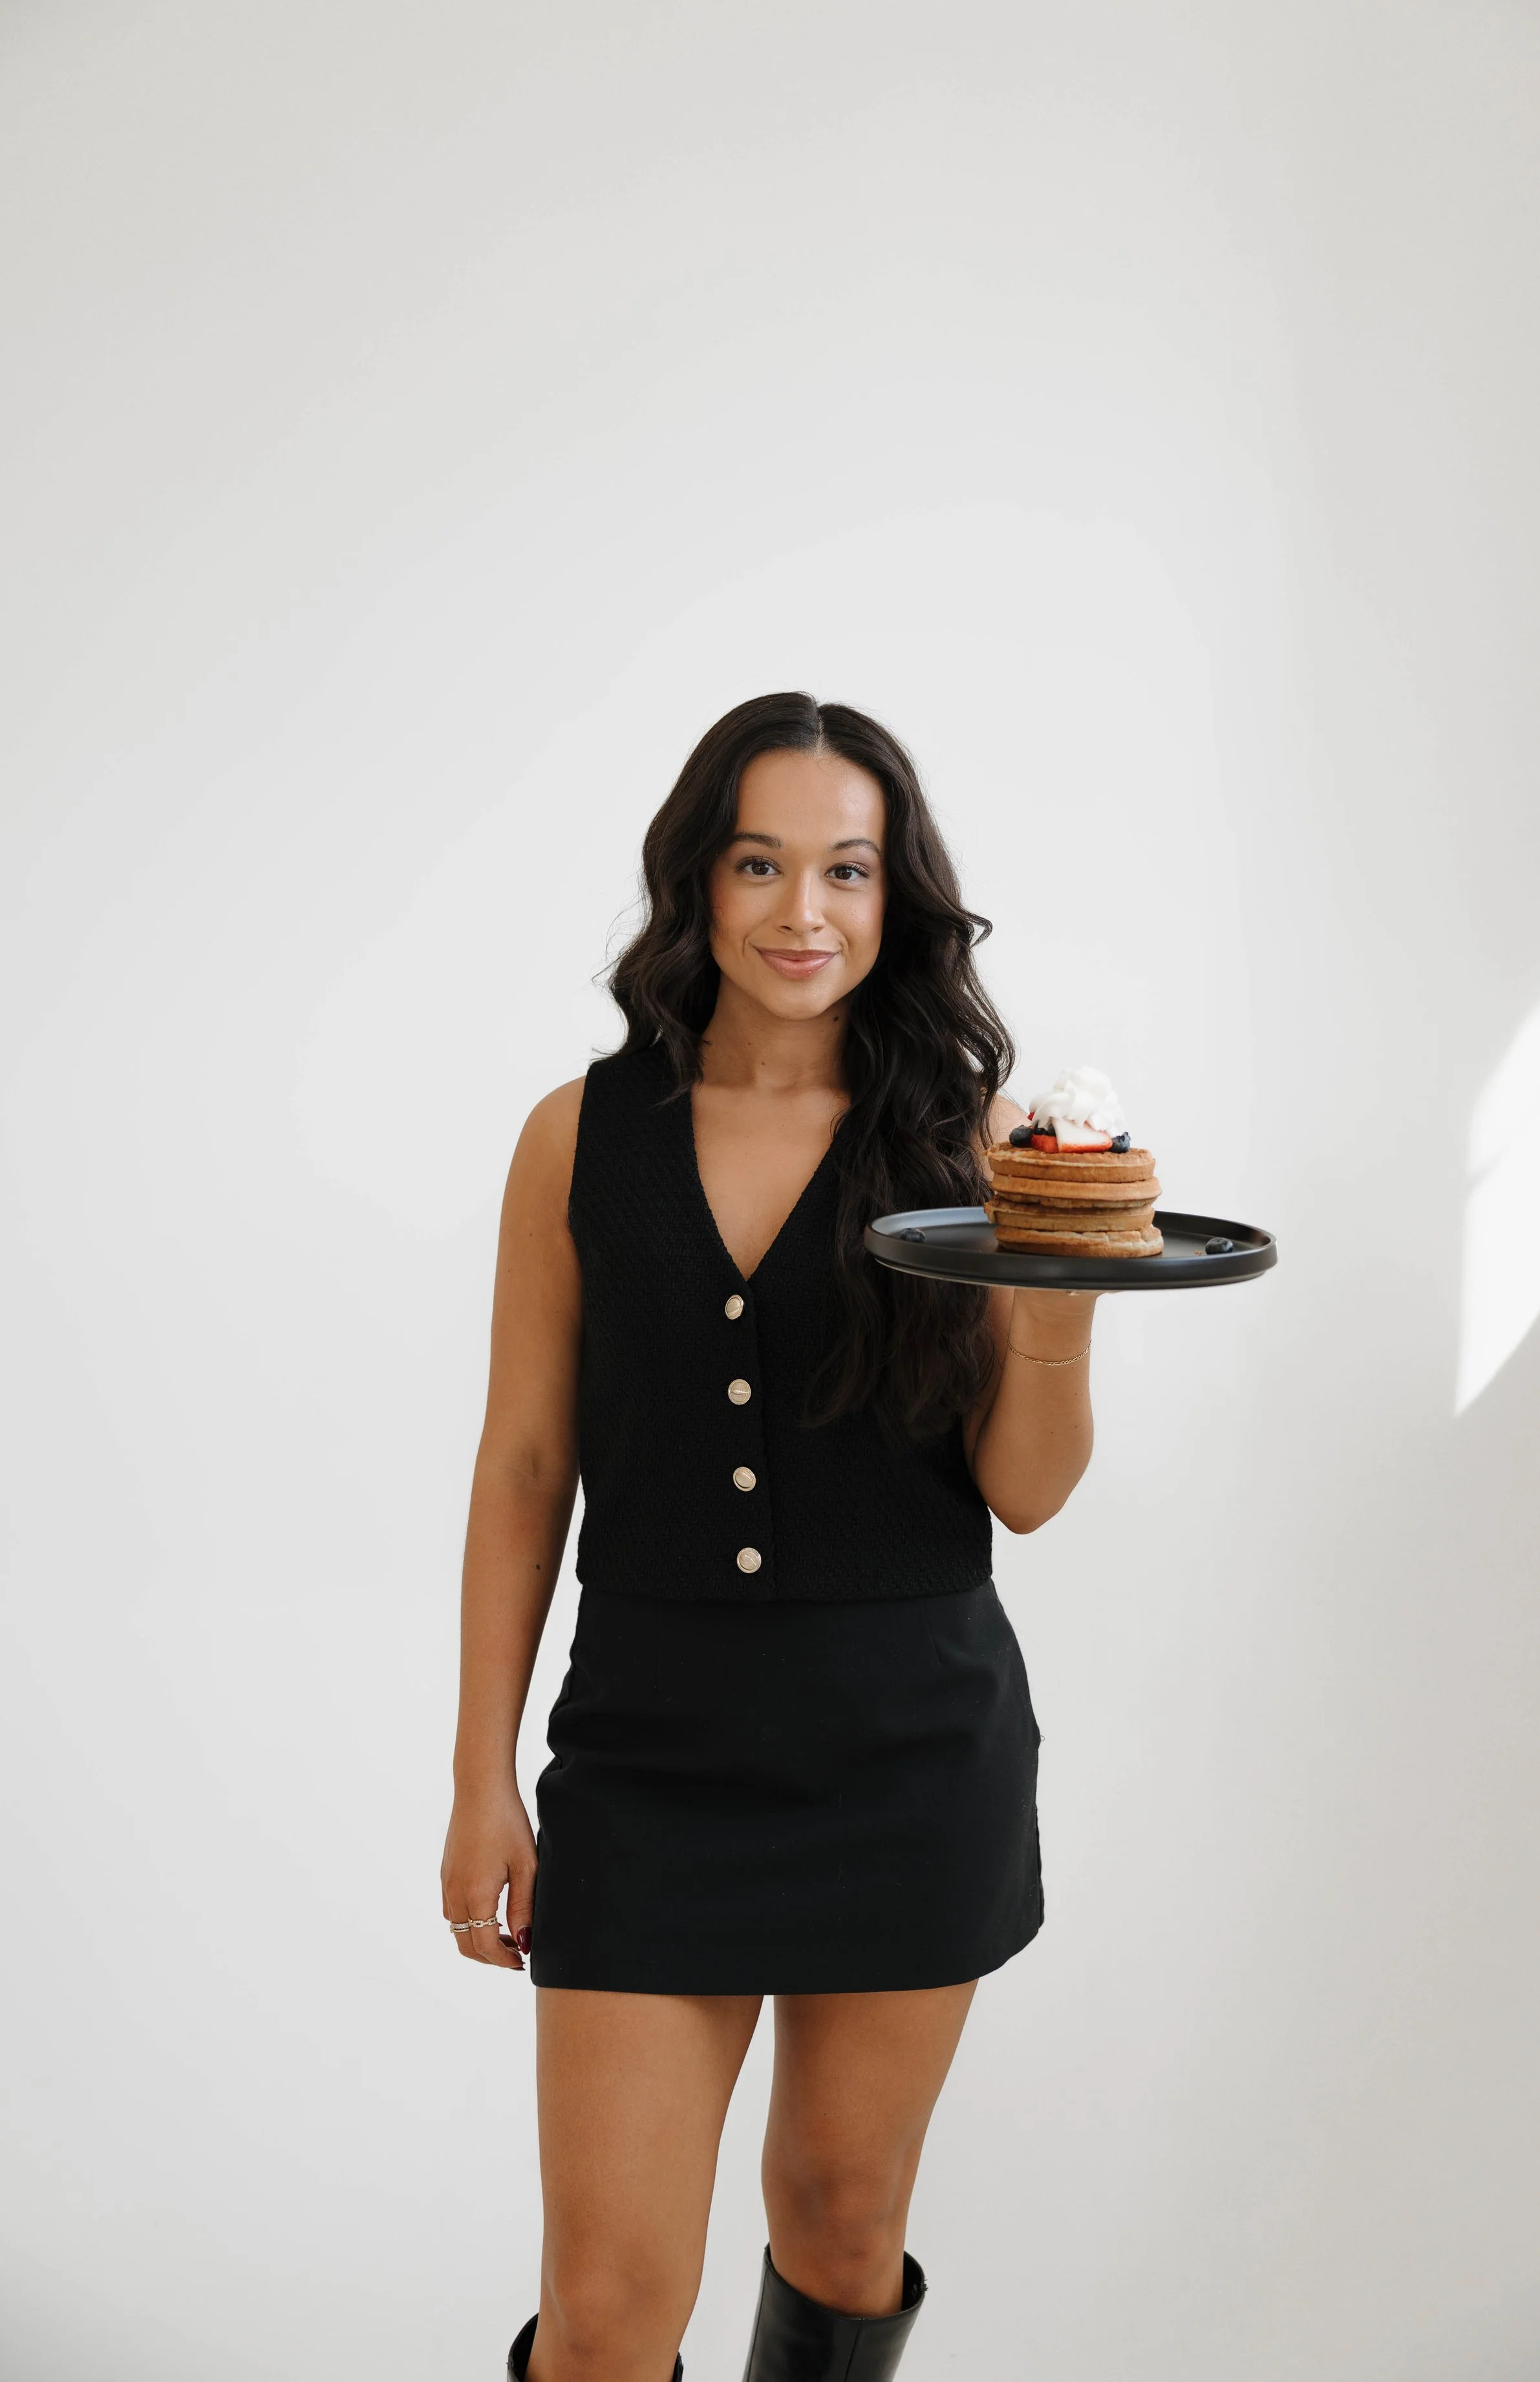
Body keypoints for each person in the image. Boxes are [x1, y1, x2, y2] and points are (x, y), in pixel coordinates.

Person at [440, 692, 1099, 2382]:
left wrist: (1060, 1309)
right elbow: (525, 1462)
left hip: (908, 1757)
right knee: (605, 2307)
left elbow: (1025, 1490)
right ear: (697, 880)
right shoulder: (576, 1136)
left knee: (838, 2221)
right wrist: (480, 1776)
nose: (804, 910)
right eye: (759, 863)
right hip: (649, 1764)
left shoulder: (971, 1141)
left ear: (895, 897)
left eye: (847, 869)